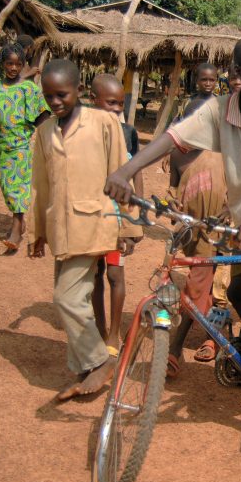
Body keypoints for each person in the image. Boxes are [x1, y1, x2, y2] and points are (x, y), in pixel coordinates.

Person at [105, 34, 241, 438]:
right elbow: (174, 138)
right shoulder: (220, 111)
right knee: (239, 294)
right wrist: (125, 171)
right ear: (237, 73)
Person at [27, 59, 143, 400]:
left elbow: (121, 173)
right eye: (49, 97)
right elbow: (41, 186)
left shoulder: (104, 123)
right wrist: (38, 231)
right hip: (62, 230)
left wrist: (129, 227)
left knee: (65, 296)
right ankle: (85, 368)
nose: (56, 102)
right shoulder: (45, 132)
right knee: (73, 299)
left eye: (62, 94)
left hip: (96, 223)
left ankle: (99, 361)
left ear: (79, 91)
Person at [167, 82, 230, 369]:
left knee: (219, 288)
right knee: (195, 284)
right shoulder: (179, 154)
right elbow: (174, 190)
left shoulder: (226, 153)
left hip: (224, 230)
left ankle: (199, 342)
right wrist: (174, 210)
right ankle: (199, 340)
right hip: (193, 229)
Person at [0, 43, 51, 251]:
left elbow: (42, 115)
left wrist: (49, 141)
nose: (14, 68)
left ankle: (16, 229)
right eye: (9, 63)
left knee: (19, 187)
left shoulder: (29, 89)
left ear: (23, 65)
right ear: (2, 64)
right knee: (7, 187)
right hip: (2, 149)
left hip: (22, 148)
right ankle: (20, 221)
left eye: (18, 64)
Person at [88, 74, 144, 356]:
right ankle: (98, 329)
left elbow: (136, 175)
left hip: (117, 219)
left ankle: (114, 334)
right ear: (91, 100)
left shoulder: (128, 133)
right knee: (95, 275)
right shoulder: (81, 134)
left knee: (115, 273)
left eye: (119, 104)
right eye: (109, 103)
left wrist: (137, 220)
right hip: (90, 219)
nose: (115, 109)